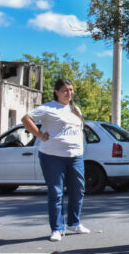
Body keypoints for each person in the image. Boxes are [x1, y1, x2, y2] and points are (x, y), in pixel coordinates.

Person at [21, 78, 89, 242]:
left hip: (75, 156)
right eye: (65, 90)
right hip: (52, 156)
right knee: (56, 193)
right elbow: (26, 119)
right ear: (56, 92)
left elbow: (80, 129)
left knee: (78, 190)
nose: (69, 93)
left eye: (71, 90)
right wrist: (39, 135)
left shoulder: (75, 109)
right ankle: (57, 228)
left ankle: (74, 222)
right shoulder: (48, 108)